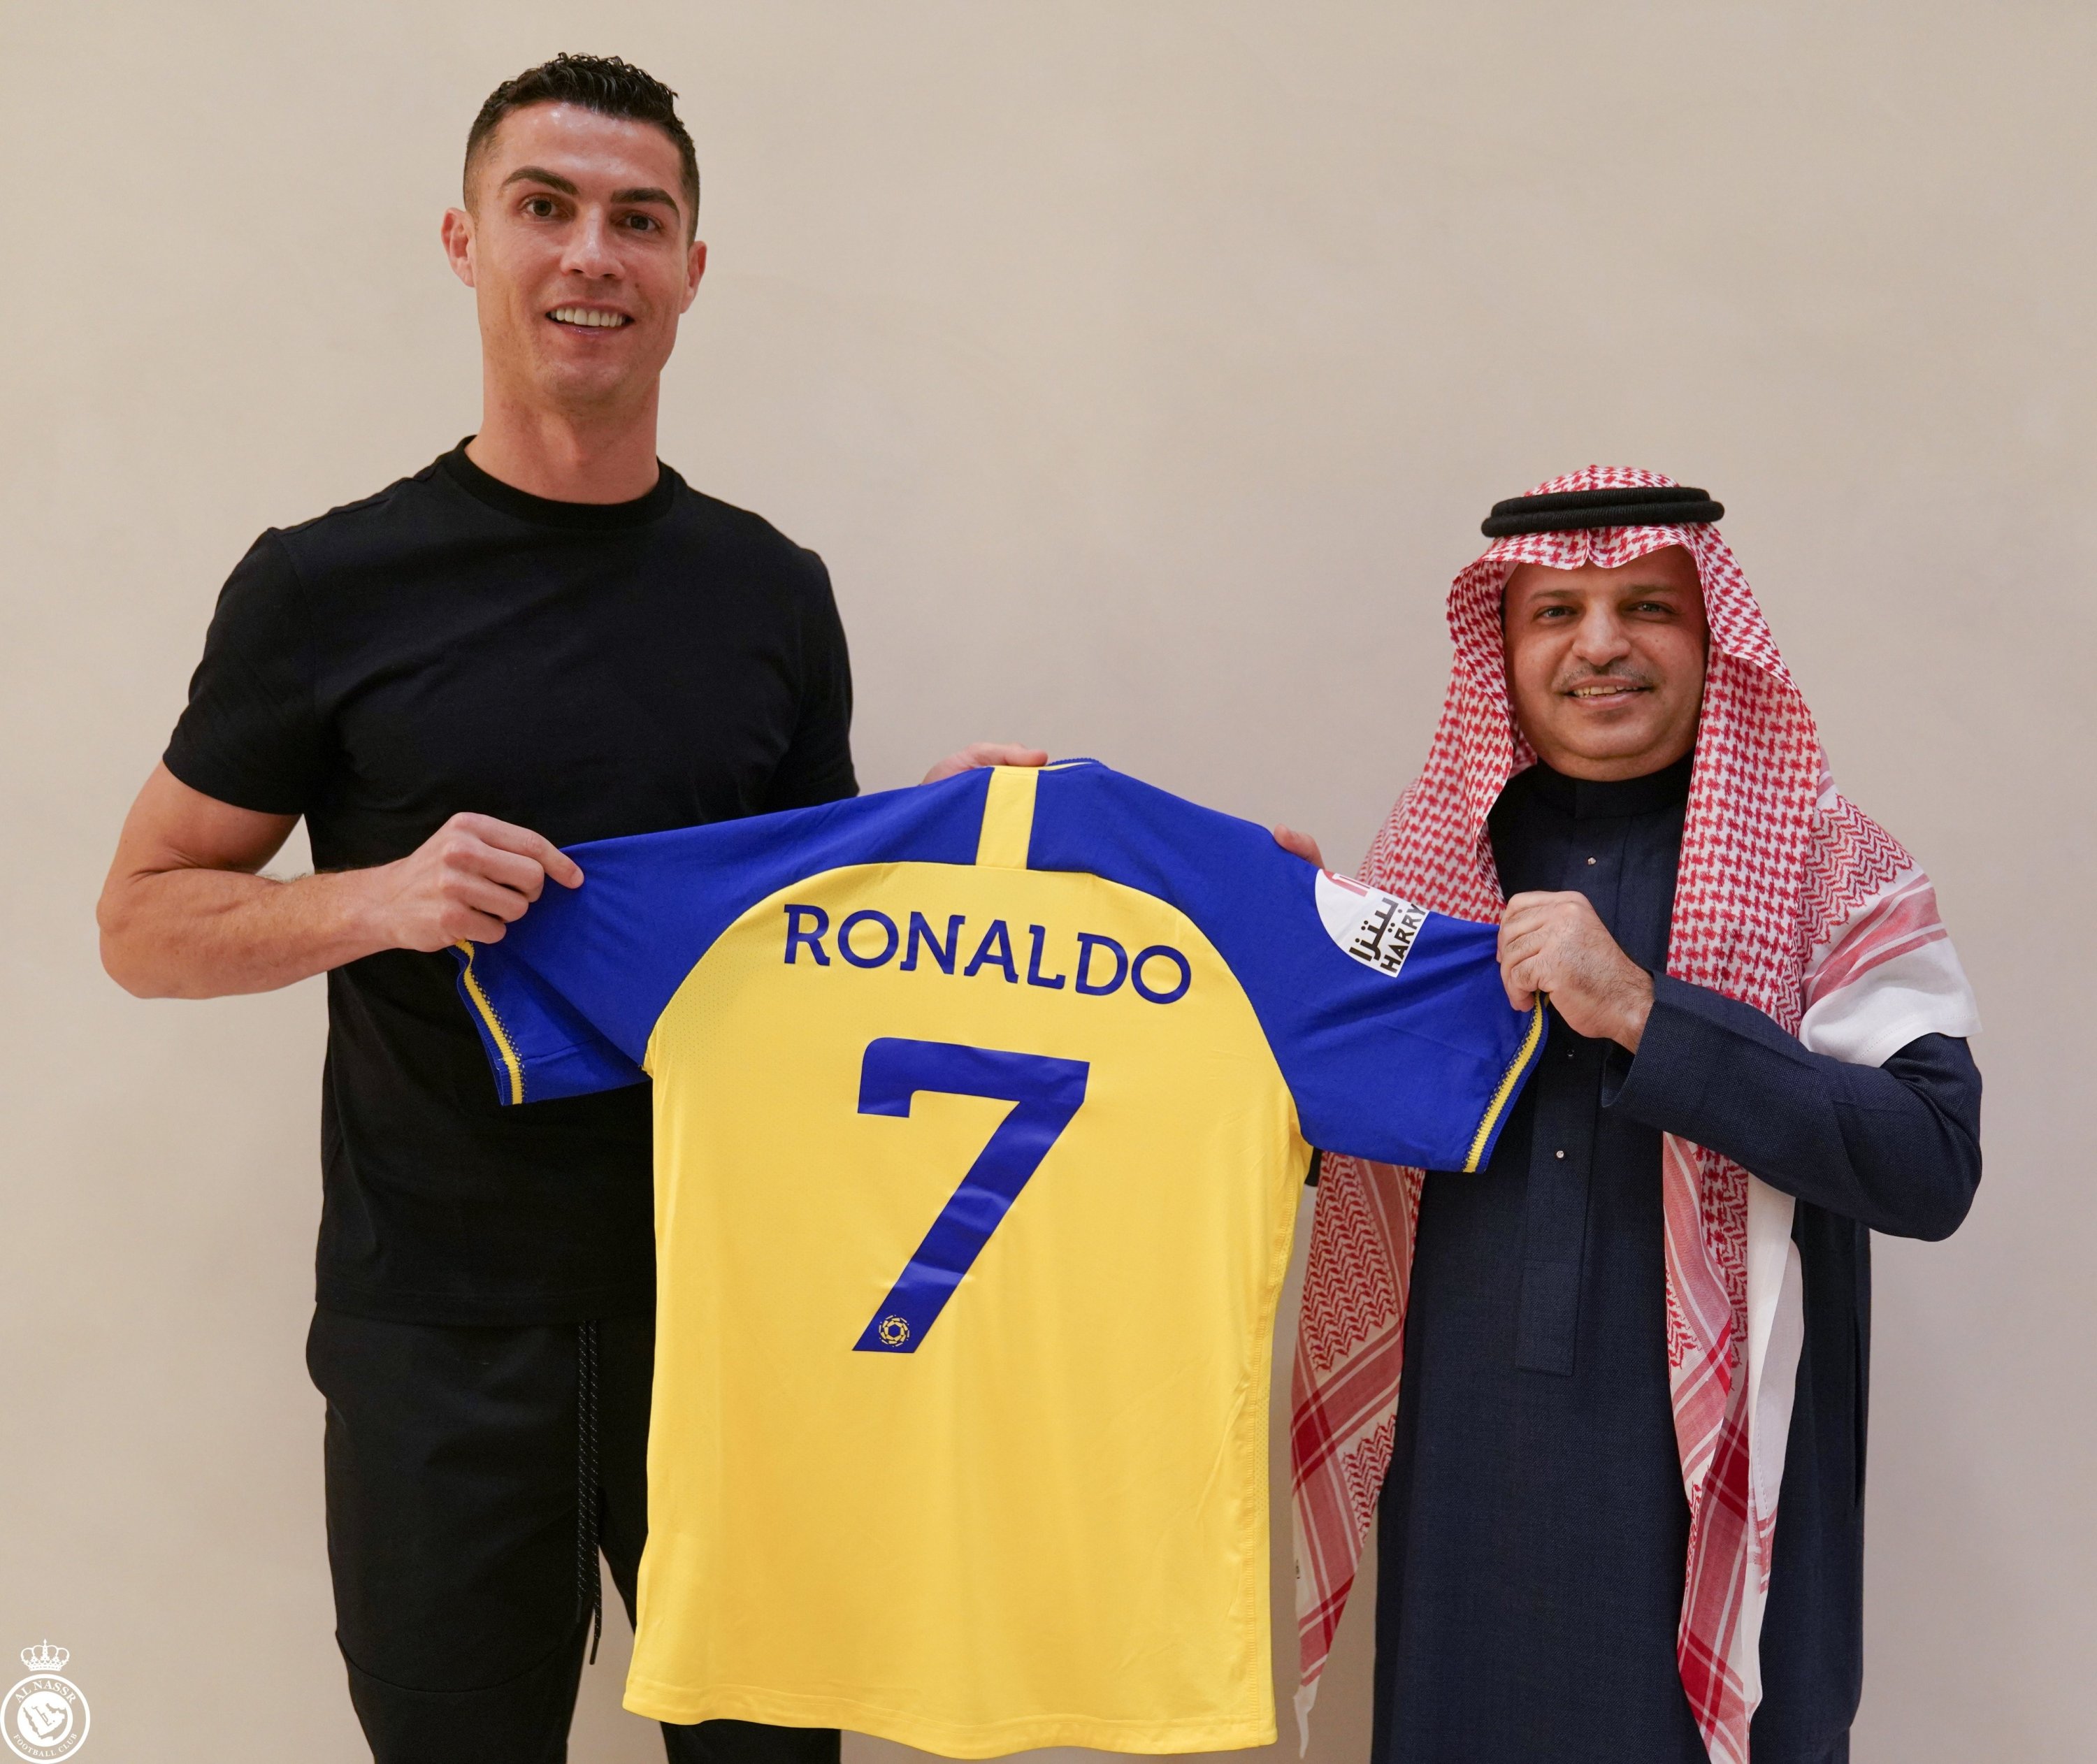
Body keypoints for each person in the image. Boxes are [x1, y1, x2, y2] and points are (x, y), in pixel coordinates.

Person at [95, 53, 1038, 1764]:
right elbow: (142, 916)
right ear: (467, 241)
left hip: (734, 1322)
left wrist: (959, 844)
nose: (591, 252)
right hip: (434, 1334)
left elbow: (801, 943)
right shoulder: (322, 583)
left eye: (638, 219)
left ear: (691, 269)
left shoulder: (771, 591)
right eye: (547, 208)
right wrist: (370, 900)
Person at [1280, 468, 1982, 1764]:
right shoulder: (1431, 878)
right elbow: (1314, 1156)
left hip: (1719, 1514)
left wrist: (1647, 1014)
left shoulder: (1834, 868)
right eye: (1556, 611)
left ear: (1712, 635)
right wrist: (1264, 952)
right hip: (1465, 1498)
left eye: (1645, 606)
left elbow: (1930, 1163)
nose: (1600, 643)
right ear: (1503, 645)